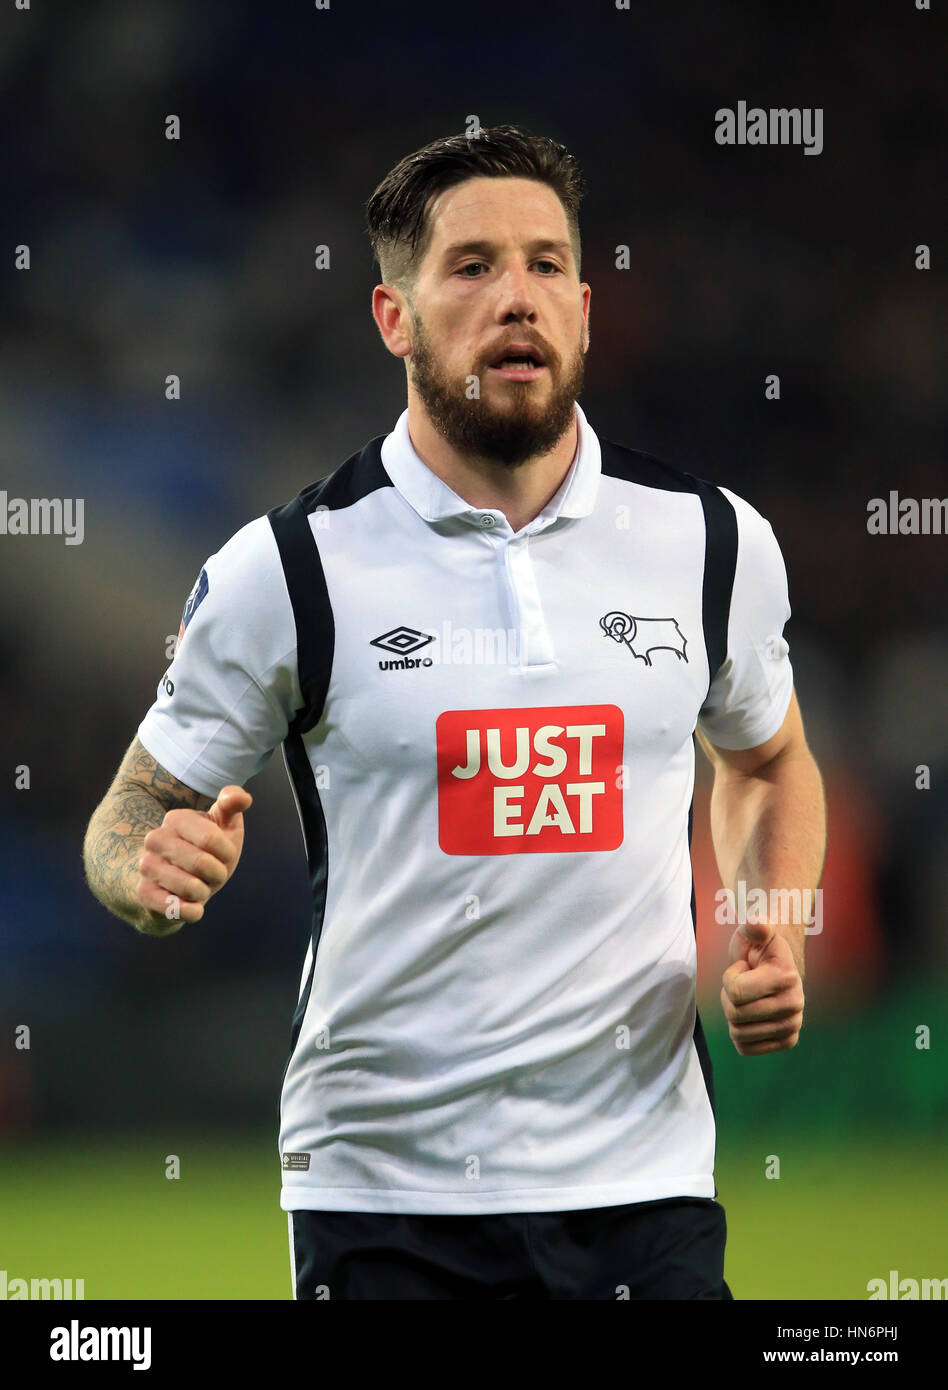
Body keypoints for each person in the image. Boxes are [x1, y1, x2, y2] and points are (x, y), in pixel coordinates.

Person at [83, 125, 827, 1300]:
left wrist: (774, 920)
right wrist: (152, 869)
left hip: (646, 1187)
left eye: (544, 265)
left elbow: (771, 761)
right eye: (472, 266)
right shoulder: (288, 569)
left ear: (583, 307)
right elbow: (128, 816)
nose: (515, 296)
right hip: (383, 1198)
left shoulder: (711, 540)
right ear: (395, 317)